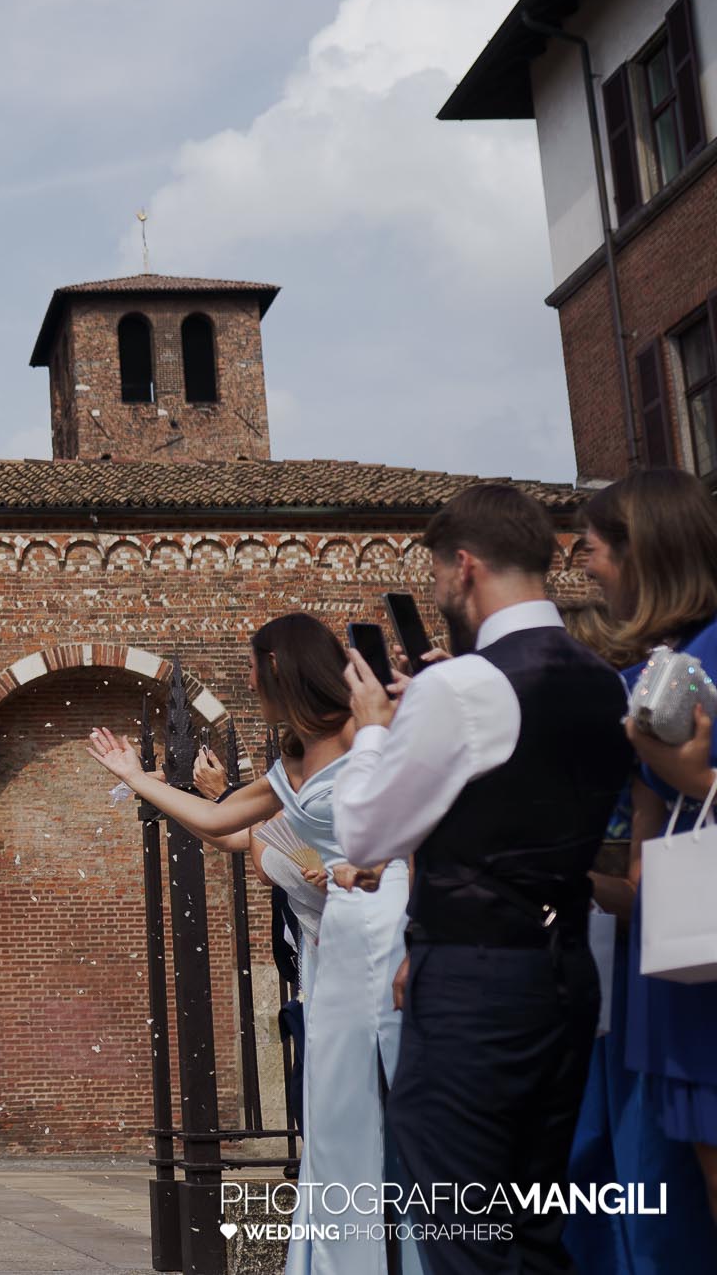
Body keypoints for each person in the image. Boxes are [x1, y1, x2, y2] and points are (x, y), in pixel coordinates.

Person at [337, 484, 633, 1275]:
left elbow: (365, 831)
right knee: (537, 1225)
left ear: (464, 566)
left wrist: (374, 734)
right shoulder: (603, 681)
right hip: (570, 973)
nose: (437, 591)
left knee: (462, 1224)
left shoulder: (461, 685)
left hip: (474, 979)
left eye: (437, 574)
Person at [87, 614, 415, 1275]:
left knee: (385, 1110)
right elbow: (217, 818)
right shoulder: (291, 758)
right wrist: (136, 775)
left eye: (254, 665)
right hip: (331, 949)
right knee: (333, 1117)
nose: (248, 677)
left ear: (281, 667)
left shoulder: (364, 730)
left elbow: (416, 819)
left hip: (387, 932)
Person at [579, 469, 717, 1231]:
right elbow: (639, 869)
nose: (588, 567)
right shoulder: (644, 679)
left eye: (596, 549)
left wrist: (696, 776)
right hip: (675, 961)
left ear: (645, 554)